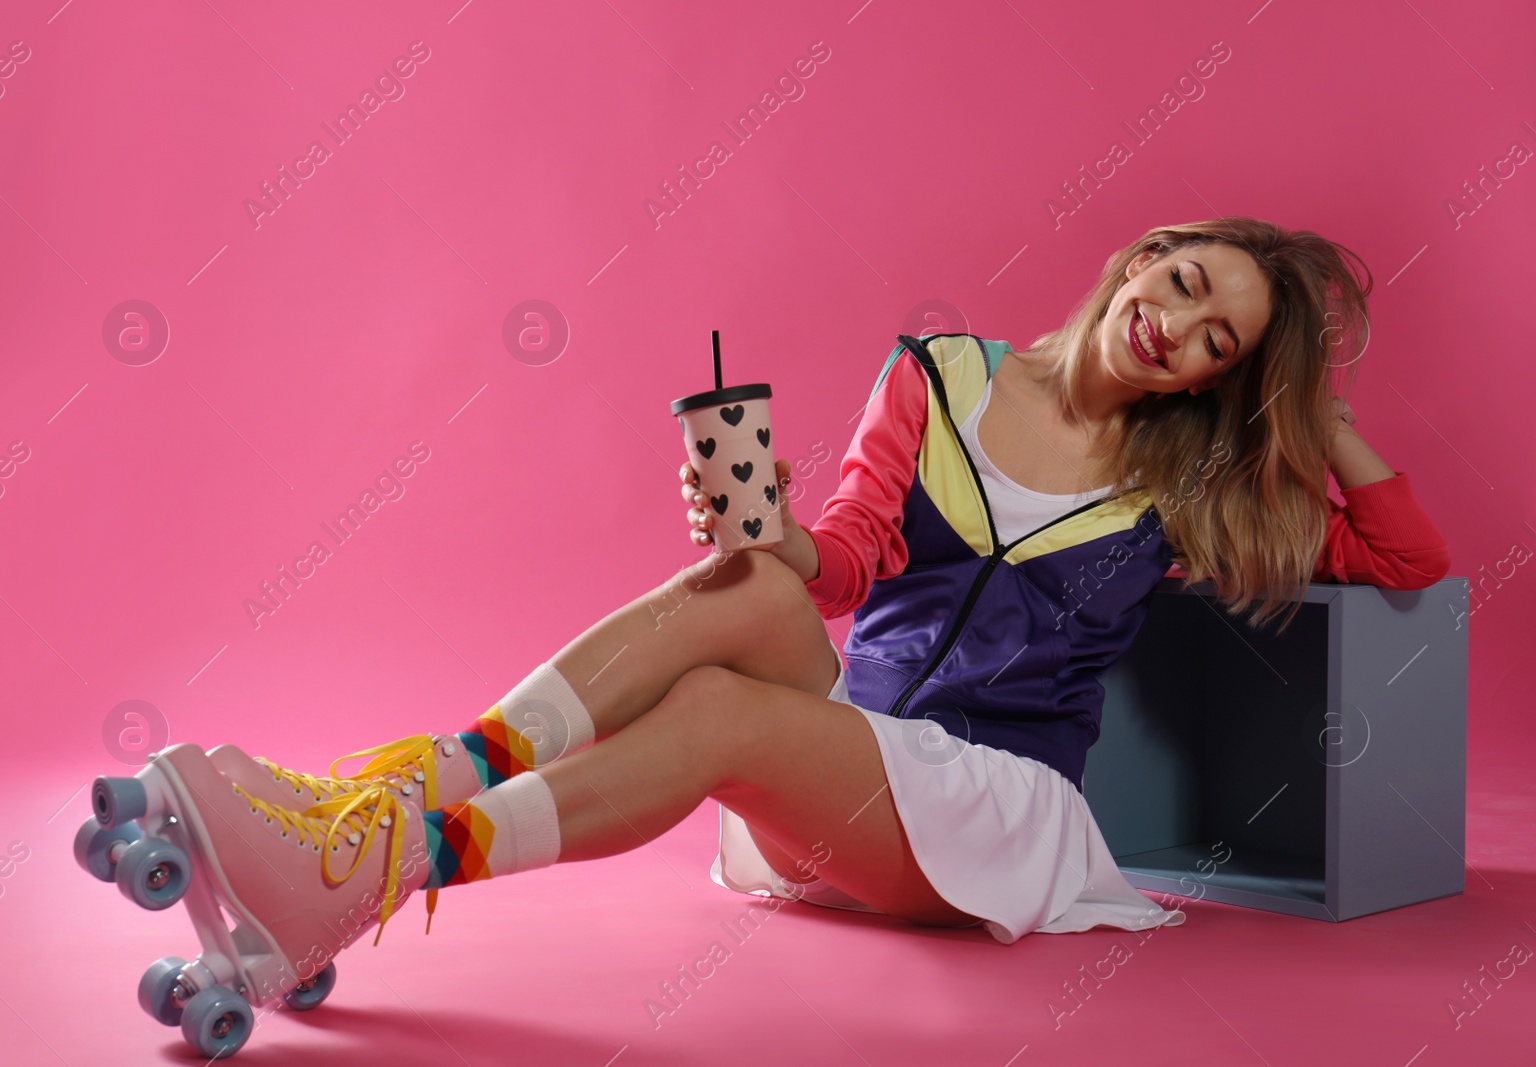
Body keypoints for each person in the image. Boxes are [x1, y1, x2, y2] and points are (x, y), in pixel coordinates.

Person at [119, 217, 1451, 994]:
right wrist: (767, 536)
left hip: (988, 813)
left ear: (1214, 384)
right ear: (1143, 257)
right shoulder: (938, 376)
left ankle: (380, 871)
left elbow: (1406, 565)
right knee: (752, 584)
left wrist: (1318, 424)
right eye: (1187, 281)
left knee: (718, 712)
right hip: (847, 773)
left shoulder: (1186, 497)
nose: (1180, 323)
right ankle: (404, 794)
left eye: (1218, 340)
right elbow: (849, 562)